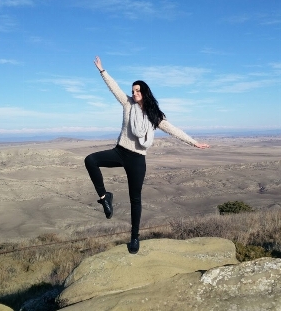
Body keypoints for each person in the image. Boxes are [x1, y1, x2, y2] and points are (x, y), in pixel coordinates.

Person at [85, 56, 210, 254]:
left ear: (144, 92)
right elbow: (114, 87)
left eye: (137, 90)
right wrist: (102, 71)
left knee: (135, 199)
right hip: (120, 152)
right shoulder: (127, 104)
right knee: (90, 160)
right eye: (133, 90)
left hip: (137, 159)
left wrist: (194, 142)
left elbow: (173, 129)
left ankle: (134, 237)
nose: (134, 93)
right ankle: (104, 197)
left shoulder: (154, 115)